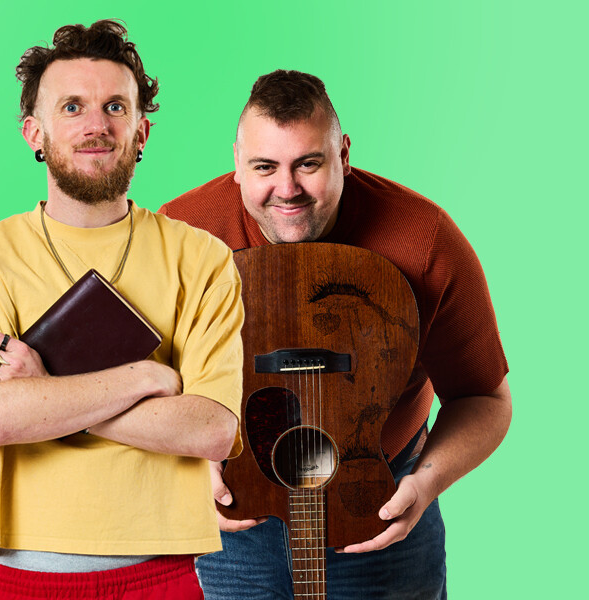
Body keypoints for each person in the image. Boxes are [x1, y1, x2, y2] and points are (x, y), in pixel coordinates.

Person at [160, 69, 512, 599]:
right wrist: (182, 467)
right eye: (264, 167)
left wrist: (424, 484)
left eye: (308, 163)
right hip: (233, 517)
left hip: (378, 501)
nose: (287, 189)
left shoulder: (424, 241)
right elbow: (140, 384)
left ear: (343, 154)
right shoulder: (181, 236)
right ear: (236, 162)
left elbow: (483, 396)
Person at [0, 20, 244, 599]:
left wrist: (44, 389)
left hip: (164, 572)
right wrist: (147, 377)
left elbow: (211, 428)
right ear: (35, 131)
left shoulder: (201, 257)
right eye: (73, 106)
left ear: (141, 131)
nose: (96, 125)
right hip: (25, 575)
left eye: (114, 107)